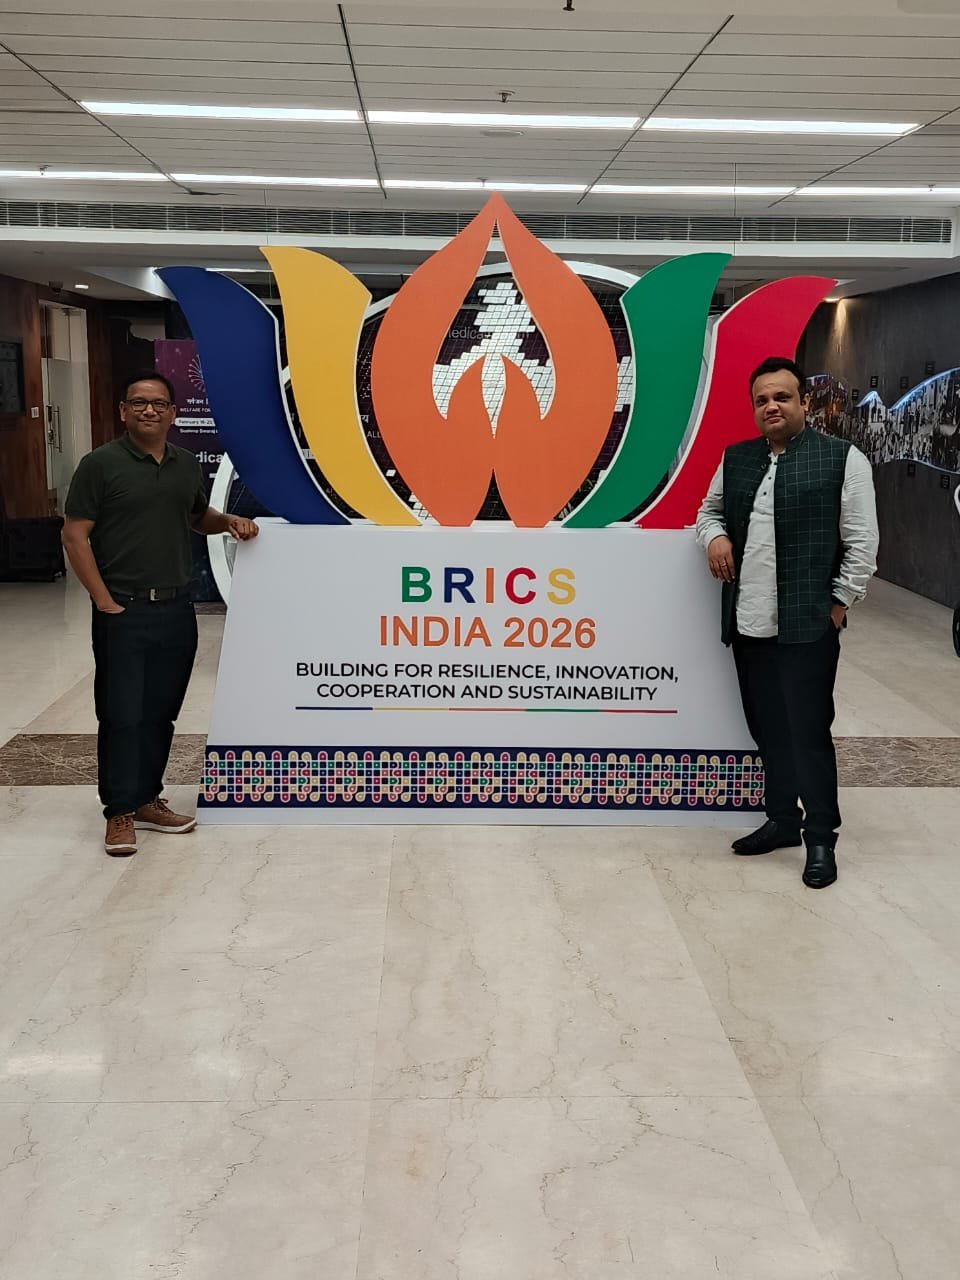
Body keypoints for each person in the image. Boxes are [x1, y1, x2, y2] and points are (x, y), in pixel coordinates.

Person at [696, 356, 879, 889]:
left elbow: (862, 542)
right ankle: (782, 821)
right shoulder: (737, 458)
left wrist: (839, 603)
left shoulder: (841, 459)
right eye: (762, 400)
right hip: (749, 621)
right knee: (768, 728)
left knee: (808, 734)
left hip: (809, 624)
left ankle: (821, 838)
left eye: (782, 397)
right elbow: (708, 511)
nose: (771, 406)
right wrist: (716, 537)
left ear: (804, 402)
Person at [62, 371, 258, 856]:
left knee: (160, 713)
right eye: (138, 402)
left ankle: (148, 799)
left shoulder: (184, 464)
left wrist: (227, 521)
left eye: (158, 403)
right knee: (121, 713)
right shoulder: (100, 464)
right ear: (123, 411)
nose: (148, 410)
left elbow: (196, 516)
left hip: (176, 608)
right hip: (123, 608)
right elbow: (74, 535)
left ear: (172, 413)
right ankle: (119, 811)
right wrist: (102, 600)